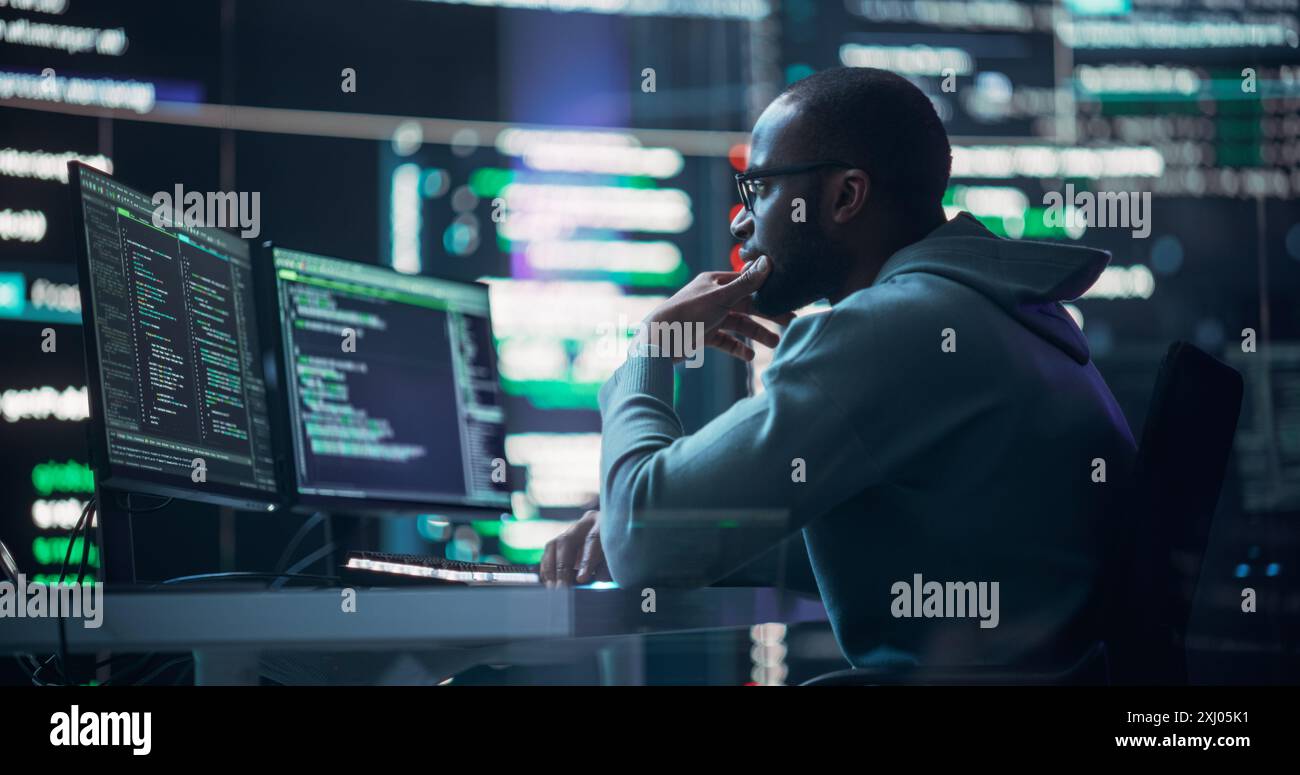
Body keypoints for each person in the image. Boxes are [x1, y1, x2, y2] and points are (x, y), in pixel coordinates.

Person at [541, 67, 1136, 667]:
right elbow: (902, 541)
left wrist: (649, 355)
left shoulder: (893, 327)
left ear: (846, 197)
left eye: (760, 189)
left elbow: (645, 551)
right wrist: (668, 522)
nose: (739, 221)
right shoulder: (1000, 310)